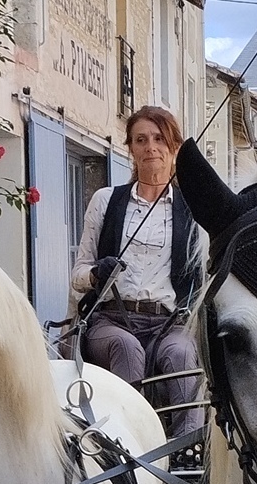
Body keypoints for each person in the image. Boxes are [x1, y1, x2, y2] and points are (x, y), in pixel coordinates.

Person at [71, 106, 203, 438]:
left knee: (184, 353)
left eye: (159, 139)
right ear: (130, 147)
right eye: (141, 139)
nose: (150, 147)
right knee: (127, 348)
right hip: (111, 321)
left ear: (174, 146)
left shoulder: (195, 209)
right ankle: (127, 446)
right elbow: (77, 276)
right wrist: (97, 274)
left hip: (169, 323)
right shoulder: (105, 201)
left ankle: (189, 450)